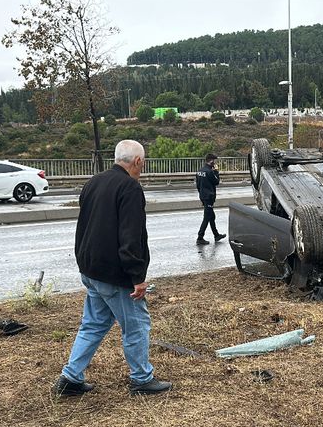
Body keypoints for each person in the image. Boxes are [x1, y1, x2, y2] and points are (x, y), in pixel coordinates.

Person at [54, 140, 171, 397]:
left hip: (91, 269)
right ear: (138, 162)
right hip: (115, 274)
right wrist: (137, 277)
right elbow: (131, 237)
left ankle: (70, 378)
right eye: (144, 162)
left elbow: (84, 226)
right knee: (137, 325)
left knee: (93, 324)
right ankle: (142, 379)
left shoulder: (94, 182)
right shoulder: (130, 188)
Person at [195, 153, 226, 245]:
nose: (215, 163)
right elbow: (216, 182)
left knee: (212, 216)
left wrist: (201, 197)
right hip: (209, 197)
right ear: (211, 161)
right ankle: (200, 237)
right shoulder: (209, 172)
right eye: (214, 161)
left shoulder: (199, 171)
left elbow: (198, 185)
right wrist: (216, 172)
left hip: (203, 196)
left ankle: (216, 235)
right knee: (207, 217)